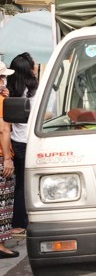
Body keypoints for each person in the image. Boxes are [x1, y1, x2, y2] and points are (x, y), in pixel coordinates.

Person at [7, 52, 38, 237]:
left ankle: (18, 222)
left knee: (20, 184)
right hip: (30, 142)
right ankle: (20, 223)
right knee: (27, 184)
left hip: (16, 141)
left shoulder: (10, 90)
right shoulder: (34, 90)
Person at [0, 62, 18, 257]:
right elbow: (4, 129)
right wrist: (7, 159)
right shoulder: (1, 101)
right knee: (3, 203)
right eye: (2, 76)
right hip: (0, 156)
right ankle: (1, 245)